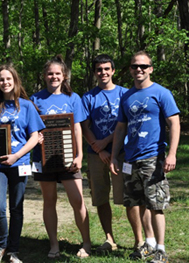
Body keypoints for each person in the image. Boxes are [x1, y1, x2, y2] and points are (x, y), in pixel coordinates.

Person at [110, 51, 180, 263]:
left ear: (150, 68)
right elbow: (120, 129)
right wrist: (114, 156)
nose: (138, 69)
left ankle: (161, 250)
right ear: (130, 69)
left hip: (153, 157)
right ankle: (148, 244)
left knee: (156, 205)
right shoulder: (127, 96)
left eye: (143, 66)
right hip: (130, 160)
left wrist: (172, 154)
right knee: (138, 202)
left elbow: (174, 124)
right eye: (134, 66)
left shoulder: (161, 93)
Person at [0, 64, 45, 263]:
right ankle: (1, 246)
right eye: (1, 79)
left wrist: (16, 156)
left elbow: (35, 136)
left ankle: (12, 251)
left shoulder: (26, 105)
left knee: (16, 207)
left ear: (15, 81)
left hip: (20, 163)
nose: (5, 82)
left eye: (8, 79)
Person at [30, 55, 91, 259]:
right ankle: (54, 245)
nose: (53, 77)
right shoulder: (35, 99)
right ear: (44, 76)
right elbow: (31, 128)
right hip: (44, 158)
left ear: (64, 76)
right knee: (49, 201)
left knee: (78, 200)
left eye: (57, 73)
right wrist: (35, 138)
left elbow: (77, 129)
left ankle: (86, 243)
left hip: (68, 159)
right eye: (50, 73)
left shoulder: (73, 98)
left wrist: (80, 155)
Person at [81, 54, 143, 252]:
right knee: (100, 198)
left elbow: (122, 126)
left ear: (113, 71)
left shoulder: (126, 94)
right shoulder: (88, 97)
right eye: (99, 69)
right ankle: (110, 239)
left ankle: (139, 240)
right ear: (95, 73)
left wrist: (106, 143)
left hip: (122, 154)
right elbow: (84, 126)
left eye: (107, 69)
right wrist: (98, 149)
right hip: (95, 155)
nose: (103, 73)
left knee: (129, 197)